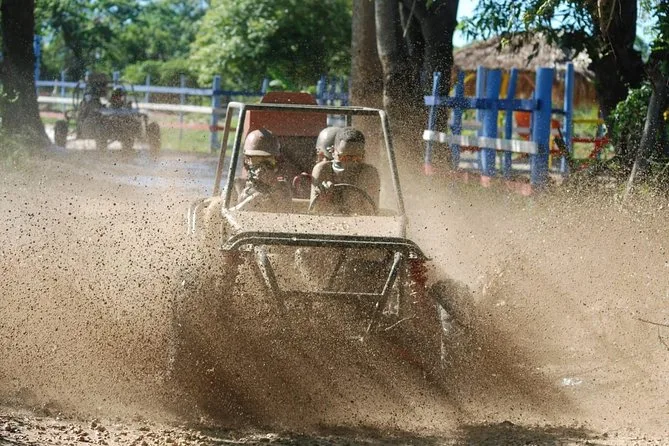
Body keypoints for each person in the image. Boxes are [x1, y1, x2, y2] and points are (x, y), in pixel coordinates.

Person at [310, 127, 380, 214]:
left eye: (357, 158)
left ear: (363, 155)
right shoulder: (323, 170)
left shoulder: (369, 173)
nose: (351, 163)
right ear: (333, 152)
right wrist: (324, 198)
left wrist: (356, 198)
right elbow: (313, 212)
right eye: (344, 158)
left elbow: (372, 213)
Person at [234, 128, 292, 212]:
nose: (262, 168)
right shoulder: (236, 185)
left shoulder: (282, 188)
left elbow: (286, 213)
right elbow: (222, 213)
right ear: (247, 160)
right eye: (257, 160)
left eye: (268, 161)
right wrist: (248, 202)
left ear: (275, 162)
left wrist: (273, 191)